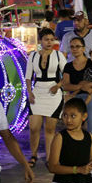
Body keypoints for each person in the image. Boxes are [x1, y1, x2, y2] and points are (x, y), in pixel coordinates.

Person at [25, 28, 67, 167]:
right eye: (46, 39)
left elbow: (67, 74)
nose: (49, 42)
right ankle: (33, 155)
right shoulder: (33, 56)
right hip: (37, 93)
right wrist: (29, 92)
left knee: (50, 129)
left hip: (53, 94)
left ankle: (49, 157)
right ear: (40, 41)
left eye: (51, 39)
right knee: (34, 127)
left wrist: (58, 85)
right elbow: (28, 77)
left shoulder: (58, 55)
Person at [62, 37, 92, 163]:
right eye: (72, 46)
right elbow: (66, 85)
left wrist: (91, 86)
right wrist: (81, 86)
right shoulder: (68, 66)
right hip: (75, 100)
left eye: (77, 46)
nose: (75, 49)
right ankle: (77, 158)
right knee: (74, 130)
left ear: (84, 48)